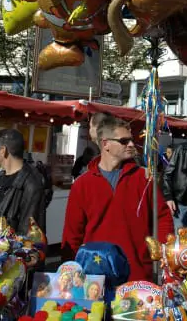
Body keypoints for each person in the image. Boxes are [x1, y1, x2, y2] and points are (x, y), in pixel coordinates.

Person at [62, 115, 173, 281]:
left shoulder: (144, 177)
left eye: (130, 140)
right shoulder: (82, 184)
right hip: (94, 277)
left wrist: (164, 254)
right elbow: (72, 234)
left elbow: (162, 218)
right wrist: (70, 272)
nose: (130, 145)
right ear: (105, 143)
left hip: (137, 274)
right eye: (124, 141)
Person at [0, 129, 46, 244]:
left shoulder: (31, 184)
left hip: (6, 258)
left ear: (3, 151)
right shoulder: (0, 178)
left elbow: (29, 235)